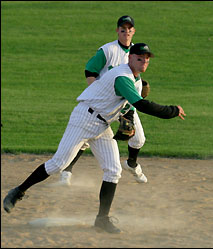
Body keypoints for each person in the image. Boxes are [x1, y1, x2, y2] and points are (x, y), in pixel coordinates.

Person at [3, 43, 186, 234]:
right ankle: (18, 191)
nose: (144, 61)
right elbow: (142, 105)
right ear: (130, 58)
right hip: (84, 119)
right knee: (58, 164)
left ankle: (102, 219)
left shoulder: (137, 81)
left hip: (102, 125)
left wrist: (129, 121)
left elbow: (129, 109)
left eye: (147, 58)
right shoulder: (122, 76)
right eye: (139, 57)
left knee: (114, 171)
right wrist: (173, 110)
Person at [59, 15, 148, 186]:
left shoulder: (137, 53)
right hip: (104, 104)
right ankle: (67, 170)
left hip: (124, 105)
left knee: (138, 139)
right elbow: (90, 70)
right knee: (85, 139)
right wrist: (96, 92)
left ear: (134, 31)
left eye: (129, 30)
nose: (126, 33)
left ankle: (131, 164)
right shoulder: (108, 50)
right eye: (123, 30)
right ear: (117, 31)